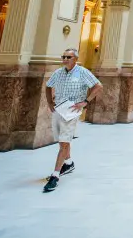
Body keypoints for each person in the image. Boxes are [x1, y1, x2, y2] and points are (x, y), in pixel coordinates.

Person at [43, 48, 103, 193]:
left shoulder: (82, 72)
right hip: (59, 109)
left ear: (75, 59)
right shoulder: (58, 72)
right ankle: (68, 163)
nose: (65, 59)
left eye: (68, 57)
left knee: (64, 142)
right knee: (62, 141)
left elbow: (98, 86)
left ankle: (55, 175)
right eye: (63, 56)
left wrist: (86, 101)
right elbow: (48, 86)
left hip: (72, 111)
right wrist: (50, 102)